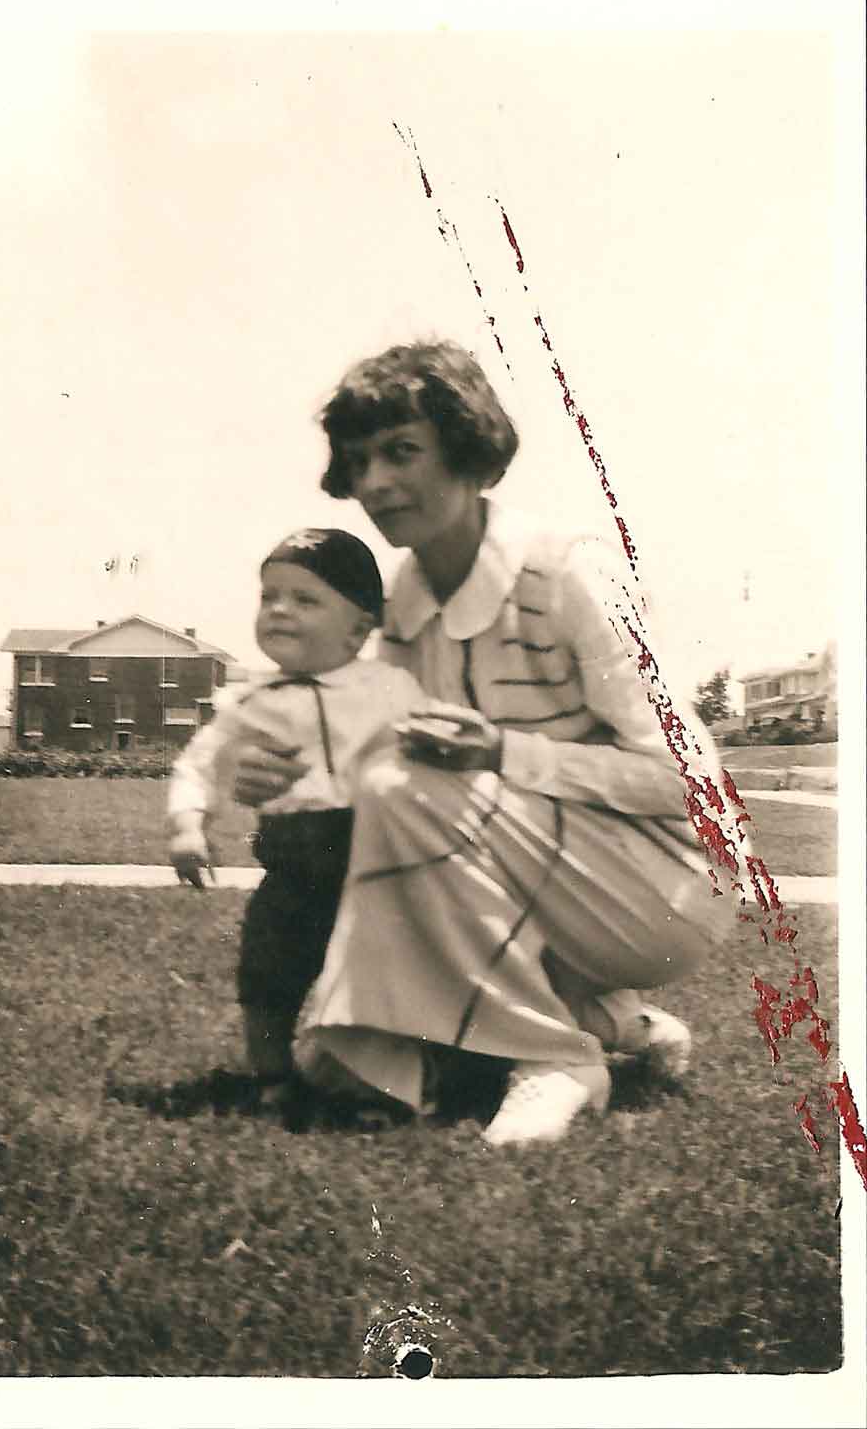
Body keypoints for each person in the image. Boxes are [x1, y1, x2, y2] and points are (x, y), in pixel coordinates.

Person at [228, 340, 738, 1146]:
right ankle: (609, 1020)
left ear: (468, 451)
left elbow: (697, 790)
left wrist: (503, 753)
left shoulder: (572, 572)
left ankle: (555, 1058)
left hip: (669, 884)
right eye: (359, 461)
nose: (376, 484)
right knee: (338, 1065)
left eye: (402, 452)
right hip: (551, 879)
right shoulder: (402, 606)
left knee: (410, 787)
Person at [168, 527, 426, 1104]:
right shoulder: (253, 702)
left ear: (360, 627)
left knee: (377, 974)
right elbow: (200, 764)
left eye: (305, 600)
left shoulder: (388, 687)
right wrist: (188, 825)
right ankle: (272, 1076)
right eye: (270, 597)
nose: (280, 611)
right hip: (290, 863)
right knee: (267, 969)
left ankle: (379, 1079)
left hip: (371, 865)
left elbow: (423, 744)